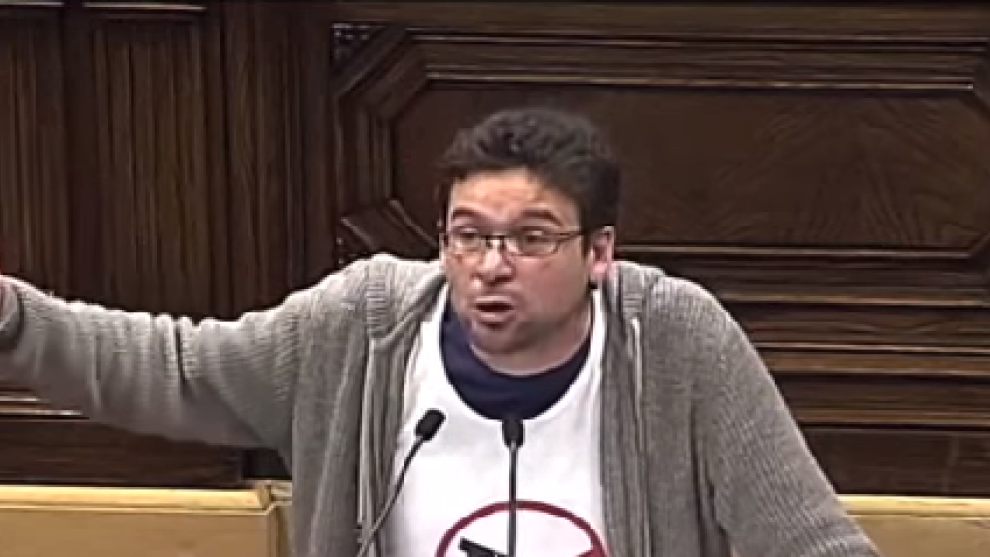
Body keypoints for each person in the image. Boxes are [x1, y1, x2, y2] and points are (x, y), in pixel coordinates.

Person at [0, 107, 881, 557]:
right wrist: (13, 320)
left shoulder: (676, 342)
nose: (492, 265)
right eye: (468, 235)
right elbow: (177, 370)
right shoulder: (363, 329)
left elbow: (812, 544)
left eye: (531, 238)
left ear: (599, 251)